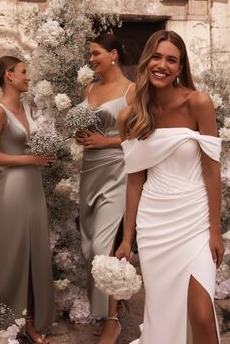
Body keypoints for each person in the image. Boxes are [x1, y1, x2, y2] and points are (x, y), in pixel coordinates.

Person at [115, 30, 224, 344]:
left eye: (171, 60)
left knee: (202, 315)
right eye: (157, 57)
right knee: (163, 311)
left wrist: (214, 230)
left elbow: (211, 171)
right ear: (146, 61)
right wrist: (127, 238)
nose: (162, 65)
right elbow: (135, 178)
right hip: (155, 224)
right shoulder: (130, 117)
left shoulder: (198, 103)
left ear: (180, 67)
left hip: (195, 219)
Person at [75, 33, 135, 344]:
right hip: (89, 171)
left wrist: (105, 141)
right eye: (90, 54)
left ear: (113, 54)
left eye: (96, 53)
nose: (92, 59)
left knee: (102, 246)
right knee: (89, 247)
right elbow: (86, 128)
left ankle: (111, 320)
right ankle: (114, 303)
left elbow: (142, 136)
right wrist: (82, 135)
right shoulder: (90, 87)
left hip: (116, 171)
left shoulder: (132, 90)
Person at [0, 56, 55, 344]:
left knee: (35, 255)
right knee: (14, 256)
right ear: (8, 75)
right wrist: (32, 158)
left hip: (34, 188)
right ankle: (5, 323)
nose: (28, 77)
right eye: (23, 72)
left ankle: (31, 323)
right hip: (12, 190)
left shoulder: (28, 108)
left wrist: (46, 153)